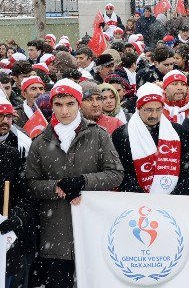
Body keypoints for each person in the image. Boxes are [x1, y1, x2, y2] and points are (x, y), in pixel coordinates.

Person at [26, 78, 123, 288]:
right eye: (58, 105)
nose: (64, 111)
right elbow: (32, 183)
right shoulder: (40, 142)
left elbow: (115, 174)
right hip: (55, 233)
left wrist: (83, 182)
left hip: (92, 228)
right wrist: (56, 186)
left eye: (70, 104)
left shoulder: (98, 135)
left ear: (79, 104)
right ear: (51, 106)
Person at [112, 83, 189, 195]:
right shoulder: (121, 135)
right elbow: (122, 173)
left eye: (158, 109)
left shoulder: (177, 131)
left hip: (174, 201)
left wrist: (175, 195)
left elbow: (187, 170)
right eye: (149, 110)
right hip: (137, 201)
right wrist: (146, 198)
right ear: (139, 108)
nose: (154, 115)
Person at [0, 97, 34, 288]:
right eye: (0, 116)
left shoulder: (17, 150)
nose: (5, 121)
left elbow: (24, 192)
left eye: (8, 116)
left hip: (9, 236)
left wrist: (17, 217)